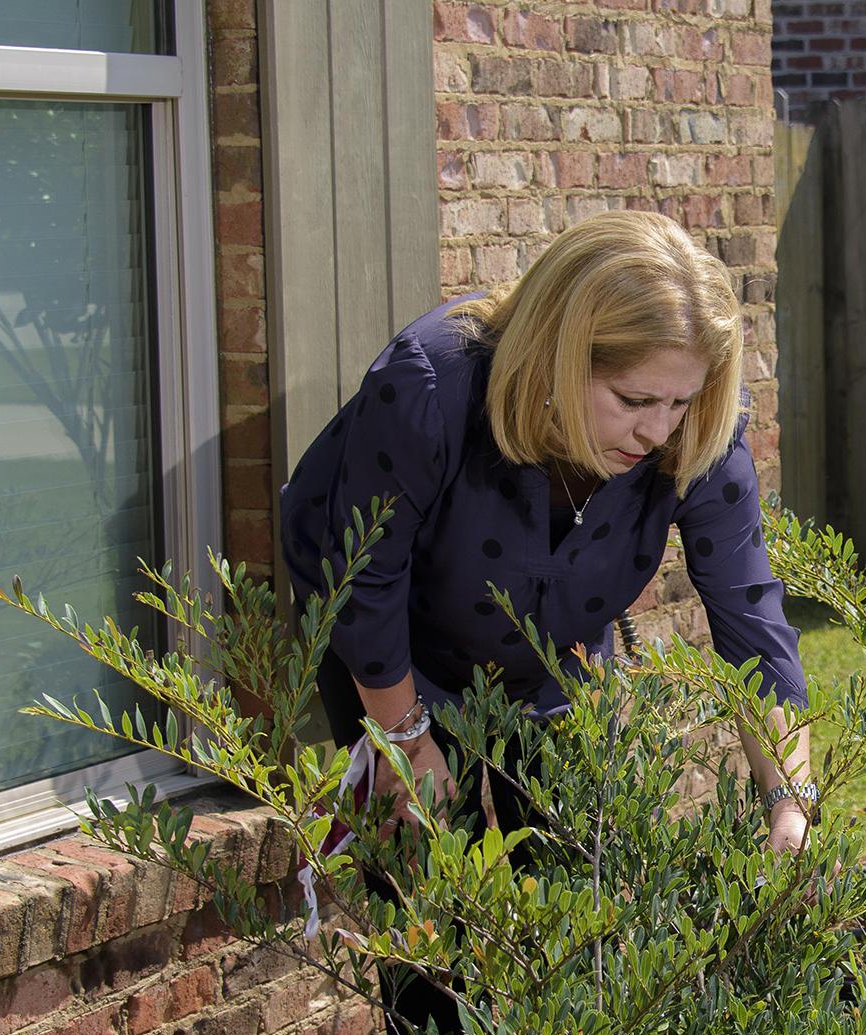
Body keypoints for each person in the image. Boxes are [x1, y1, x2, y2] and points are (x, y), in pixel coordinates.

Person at [280, 209, 815, 857]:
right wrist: (408, 742)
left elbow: (750, 620)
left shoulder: (699, 429)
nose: (659, 432)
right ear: (560, 357)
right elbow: (365, 584)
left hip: (550, 658)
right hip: (393, 647)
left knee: (567, 869)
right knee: (430, 880)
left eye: (679, 402)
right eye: (635, 400)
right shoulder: (429, 385)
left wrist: (789, 801)